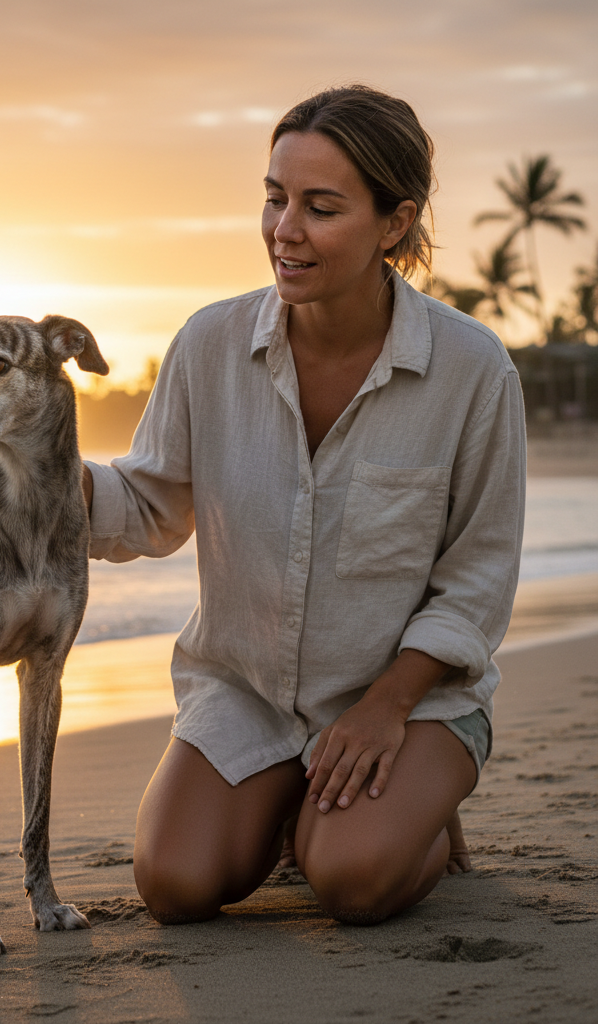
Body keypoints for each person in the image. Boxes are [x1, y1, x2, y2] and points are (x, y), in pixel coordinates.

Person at [81, 84, 526, 926]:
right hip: (248, 690)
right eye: (275, 198)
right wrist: (50, 481)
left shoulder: (473, 371)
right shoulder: (208, 346)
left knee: (352, 881)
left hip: (410, 699)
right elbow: (150, 506)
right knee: (176, 884)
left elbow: (478, 578)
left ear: (395, 224)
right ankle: (303, 800)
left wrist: (387, 705)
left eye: (321, 208)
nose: (285, 230)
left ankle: (411, 816)